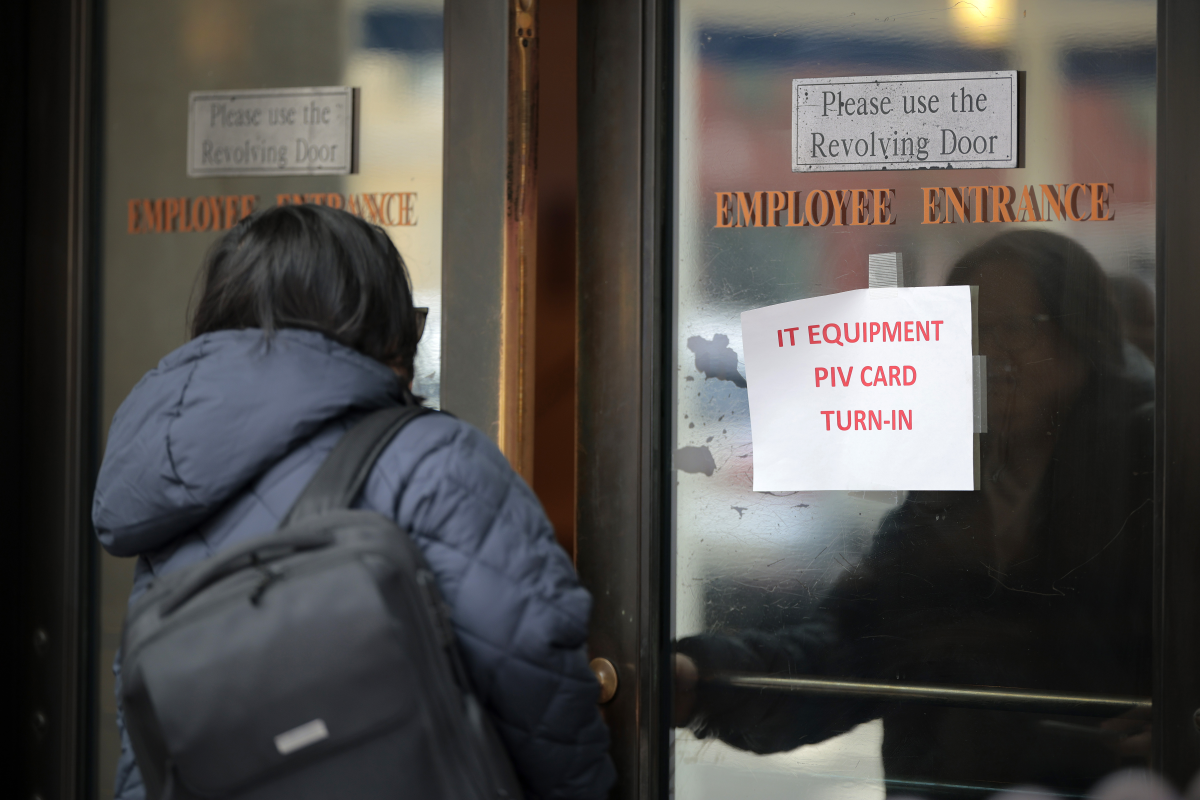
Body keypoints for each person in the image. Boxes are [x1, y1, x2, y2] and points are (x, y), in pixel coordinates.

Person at [93, 204, 616, 800]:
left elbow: (151, 733)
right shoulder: (432, 460)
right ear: (378, 325)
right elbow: (531, 662)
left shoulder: (169, 477)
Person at [674, 230, 1154, 797]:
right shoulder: (943, 498)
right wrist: (705, 680)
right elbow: (848, 651)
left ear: (1083, 340)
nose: (990, 355)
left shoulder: (1149, 464)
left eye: (1017, 329)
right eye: (971, 333)